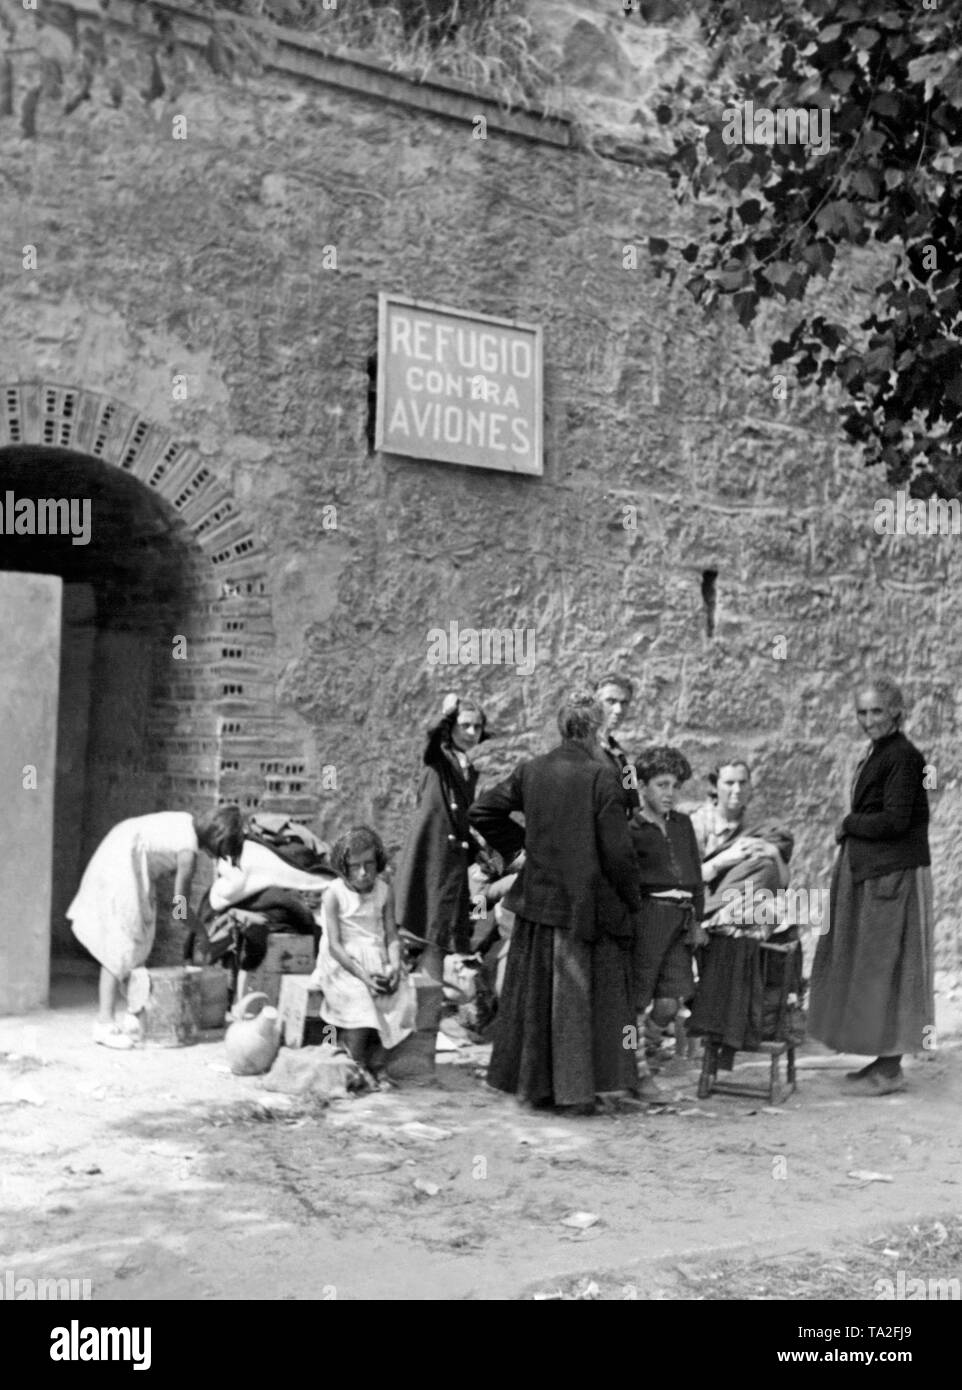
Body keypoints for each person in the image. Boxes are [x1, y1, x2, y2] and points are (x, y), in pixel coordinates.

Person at [468, 690, 642, 1114]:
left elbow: (482, 812)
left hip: (536, 903)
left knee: (535, 999)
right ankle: (576, 1094)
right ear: (593, 730)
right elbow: (618, 853)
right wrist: (630, 896)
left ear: (563, 728)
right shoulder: (603, 776)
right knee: (576, 1003)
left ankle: (536, 1089)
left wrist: (520, 852)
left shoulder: (532, 770)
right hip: (583, 906)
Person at [809, 676, 933, 1096]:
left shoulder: (904, 757)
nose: (868, 720)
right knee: (871, 966)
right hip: (875, 872)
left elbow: (896, 821)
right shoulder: (883, 752)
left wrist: (847, 823)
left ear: (896, 712)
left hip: (893, 876)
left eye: (876, 711)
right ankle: (882, 1060)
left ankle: (891, 1068)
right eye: (862, 712)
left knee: (890, 967)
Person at [67, 805, 245, 1049]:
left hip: (123, 849)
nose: (217, 858)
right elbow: (179, 908)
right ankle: (104, 1023)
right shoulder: (187, 853)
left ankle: (134, 1012)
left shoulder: (186, 822)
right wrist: (202, 933)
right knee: (121, 942)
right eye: (222, 851)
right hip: (122, 859)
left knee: (140, 934)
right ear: (217, 838)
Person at [393, 693, 489, 983]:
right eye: (465, 725)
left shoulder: (467, 769)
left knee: (441, 939)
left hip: (452, 864)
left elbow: (462, 823)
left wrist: (489, 855)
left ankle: (431, 1014)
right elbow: (432, 737)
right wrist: (446, 714)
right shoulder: (439, 758)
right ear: (451, 728)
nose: (472, 733)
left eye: (478, 727)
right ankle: (420, 1016)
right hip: (431, 859)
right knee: (425, 937)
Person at [309, 825, 416, 1082]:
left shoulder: (383, 890)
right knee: (361, 999)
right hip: (342, 961)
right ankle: (355, 1065)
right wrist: (363, 976)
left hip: (375, 955)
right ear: (343, 867)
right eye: (355, 866)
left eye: (369, 864)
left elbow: (391, 934)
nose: (363, 872)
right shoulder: (334, 894)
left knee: (400, 995)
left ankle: (376, 1063)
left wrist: (393, 965)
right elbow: (334, 945)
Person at [628, 747, 705, 1097]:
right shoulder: (632, 827)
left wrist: (698, 922)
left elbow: (696, 876)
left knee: (671, 1000)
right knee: (635, 1001)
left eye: (675, 785)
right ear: (643, 786)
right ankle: (633, 1065)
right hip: (649, 917)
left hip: (681, 917)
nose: (669, 793)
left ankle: (650, 1049)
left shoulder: (683, 824)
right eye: (661, 784)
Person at [689, 760, 793, 931]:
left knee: (765, 867)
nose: (737, 790)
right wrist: (727, 857)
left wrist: (774, 853)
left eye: (743, 783)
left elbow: (781, 883)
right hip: (709, 907)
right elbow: (688, 879)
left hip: (753, 908)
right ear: (715, 787)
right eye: (729, 783)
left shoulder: (760, 824)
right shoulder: (698, 824)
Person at [593, 670, 639, 808]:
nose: (618, 709)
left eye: (624, 703)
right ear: (596, 703)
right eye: (611, 701)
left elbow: (632, 795)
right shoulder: (583, 748)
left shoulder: (620, 753)